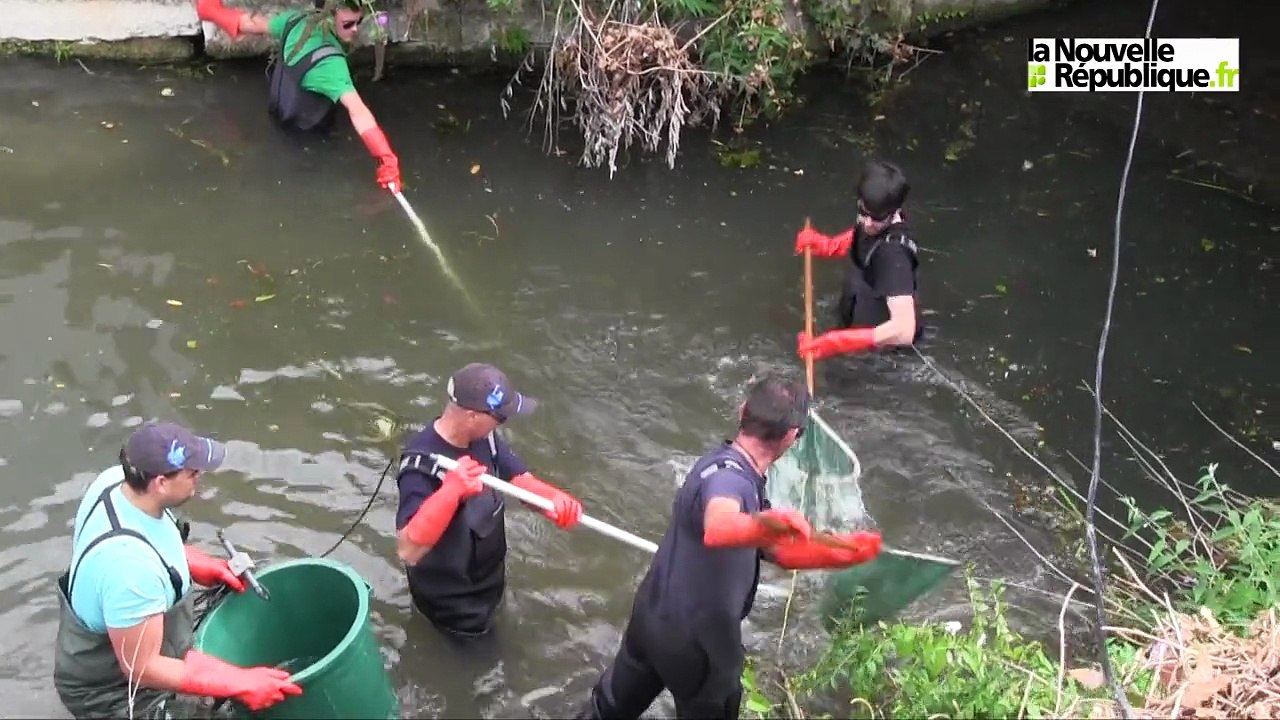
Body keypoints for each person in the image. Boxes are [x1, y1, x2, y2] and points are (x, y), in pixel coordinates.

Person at [578, 374, 883, 720]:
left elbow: (779, 552)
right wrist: (764, 523)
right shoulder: (730, 480)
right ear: (791, 436)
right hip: (700, 647)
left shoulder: (723, 466)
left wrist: (844, 552)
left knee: (608, 709)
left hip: (652, 621)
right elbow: (720, 528)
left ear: (743, 411)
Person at [53, 421, 302, 719]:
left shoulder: (117, 482)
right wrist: (242, 682)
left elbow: (147, 535)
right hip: (111, 691)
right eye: (193, 473)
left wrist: (194, 563)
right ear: (160, 482)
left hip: (126, 631)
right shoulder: (132, 573)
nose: (200, 478)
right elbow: (143, 668)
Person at [395, 362, 586, 638]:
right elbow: (408, 549)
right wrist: (450, 492)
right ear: (473, 416)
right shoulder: (421, 464)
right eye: (501, 417)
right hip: (451, 604)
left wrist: (555, 501)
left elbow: (520, 481)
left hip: (487, 582)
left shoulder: (487, 439)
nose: (503, 423)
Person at [194, 0, 402, 191]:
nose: (355, 29)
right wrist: (385, 156)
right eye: (348, 24)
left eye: (359, 22)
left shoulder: (297, 21)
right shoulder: (331, 66)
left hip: (278, 116)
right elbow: (358, 111)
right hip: (309, 139)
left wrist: (214, 12)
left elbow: (255, 25)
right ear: (329, 18)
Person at [794, 159, 923, 361]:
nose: (868, 223)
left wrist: (836, 343)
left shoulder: (893, 256)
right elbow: (867, 235)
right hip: (858, 313)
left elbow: (904, 330)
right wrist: (829, 245)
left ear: (894, 212)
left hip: (882, 354)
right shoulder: (876, 214)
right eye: (863, 213)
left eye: (877, 219)